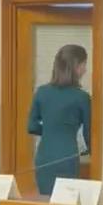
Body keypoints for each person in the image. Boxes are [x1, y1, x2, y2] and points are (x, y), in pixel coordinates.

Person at [26, 43, 90, 195]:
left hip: (44, 157)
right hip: (67, 156)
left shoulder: (41, 92)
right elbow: (89, 135)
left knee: (45, 203)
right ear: (76, 67)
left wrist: (50, 129)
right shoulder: (82, 97)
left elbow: (31, 126)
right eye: (84, 65)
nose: (85, 70)